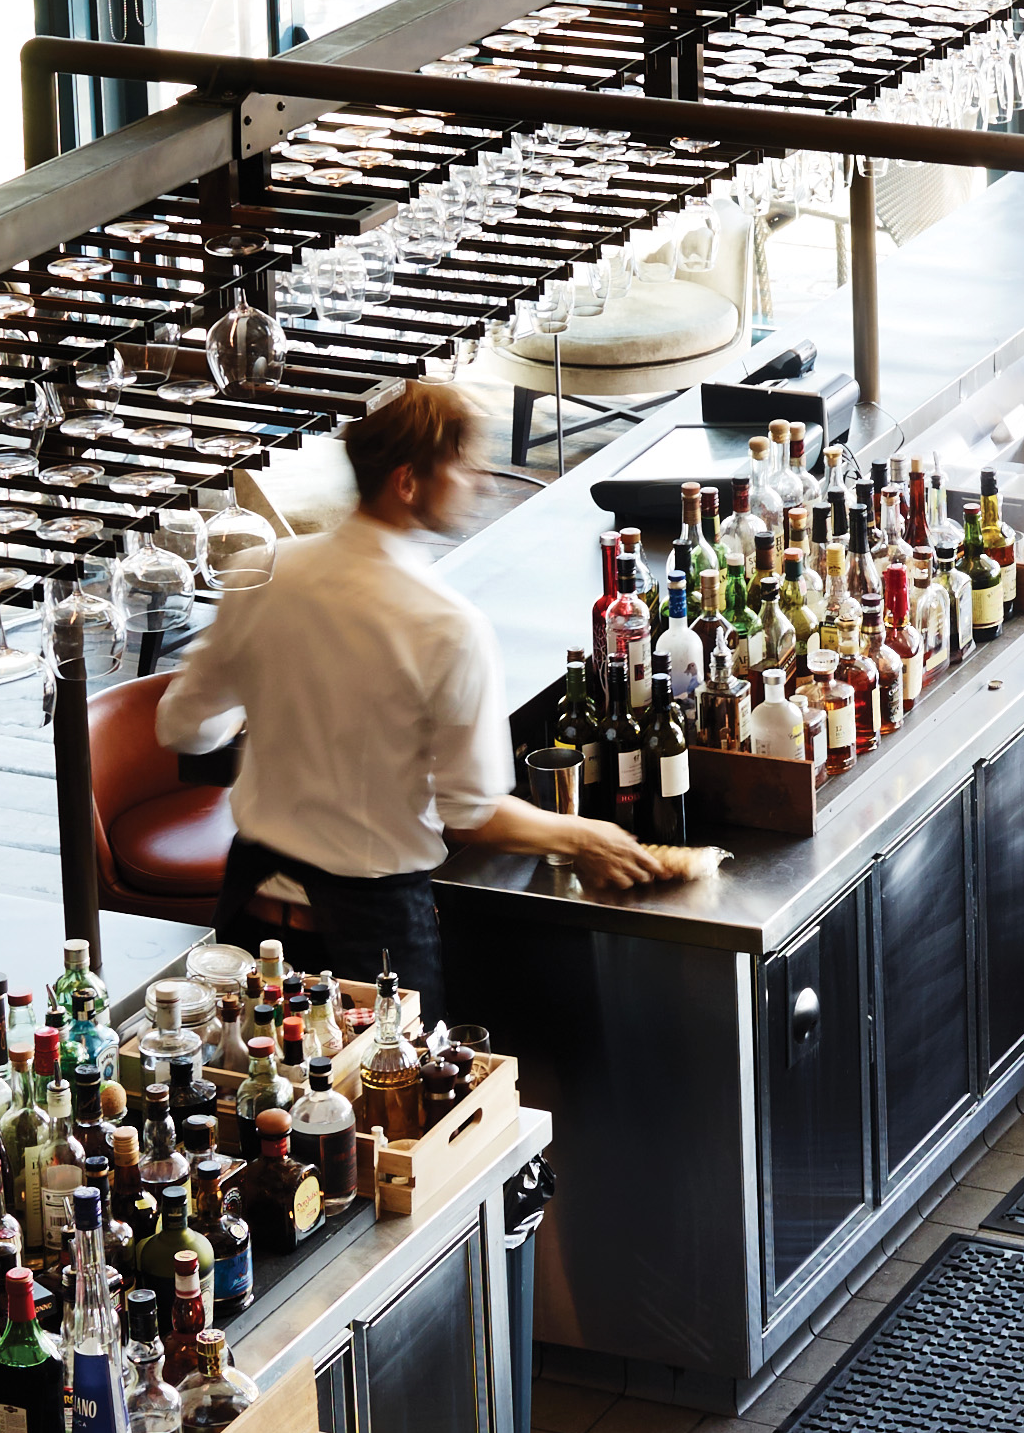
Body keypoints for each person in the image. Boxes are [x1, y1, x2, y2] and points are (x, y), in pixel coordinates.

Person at [156, 373, 658, 982]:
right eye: (464, 464)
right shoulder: (446, 626)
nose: (483, 479)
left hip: (249, 912)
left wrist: (269, 700)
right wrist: (586, 837)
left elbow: (183, 726)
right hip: (370, 937)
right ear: (407, 481)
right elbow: (471, 811)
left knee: (258, 1073)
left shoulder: (262, 570)